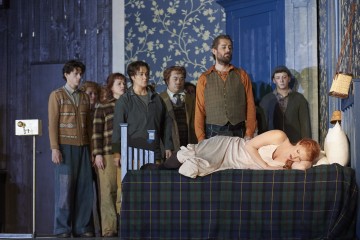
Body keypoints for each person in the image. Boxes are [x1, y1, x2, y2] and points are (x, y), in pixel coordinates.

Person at [142, 130, 321, 179]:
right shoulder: (280, 137)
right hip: (229, 146)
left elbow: (304, 167)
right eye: (297, 151)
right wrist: (265, 166)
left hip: (233, 162)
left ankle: (163, 170)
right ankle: (160, 167)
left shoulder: (291, 165)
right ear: (298, 143)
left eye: (299, 158)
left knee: (200, 166)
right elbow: (250, 146)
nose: (294, 157)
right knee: (195, 154)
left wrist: (307, 160)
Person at [48, 60, 94, 238]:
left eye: (80, 73)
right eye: (75, 73)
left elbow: (89, 125)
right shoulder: (56, 95)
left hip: (83, 148)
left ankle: (83, 227)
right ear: (66, 75)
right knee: (64, 189)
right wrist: (54, 148)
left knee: (85, 188)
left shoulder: (84, 96)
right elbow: (52, 124)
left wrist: (91, 150)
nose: (79, 77)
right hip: (65, 149)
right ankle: (62, 228)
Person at [195, 34, 256, 142]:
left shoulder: (242, 75)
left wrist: (249, 133)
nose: (228, 50)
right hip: (213, 131)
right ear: (214, 51)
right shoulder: (204, 78)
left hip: (239, 130)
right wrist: (201, 138)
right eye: (224, 47)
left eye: (230, 47)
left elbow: (250, 105)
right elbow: (199, 109)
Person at [112, 61, 173, 165]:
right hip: (132, 155)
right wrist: (117, 153)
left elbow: (166, 124)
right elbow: (118, 127)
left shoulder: (157, 99)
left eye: (146, 74)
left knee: (154, 181)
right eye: (141, 74)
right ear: (132, 76)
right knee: (135, 181)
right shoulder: (124, 100)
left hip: (155, 153)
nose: (145, 77)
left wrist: (168, 146)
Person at [92, 73, 127, 237]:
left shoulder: (129, 105)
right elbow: (96, 133)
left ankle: (124, 226)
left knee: (124, 191)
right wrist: (97, 154)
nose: (123, 86)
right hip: (106, 153)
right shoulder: (103, 107)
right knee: (108, 191)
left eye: (124, 83)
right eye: (119, 83)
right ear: (111, 86)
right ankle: (109, 229)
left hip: (126, 154)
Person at [259, 65, 311, 143]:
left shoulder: (299, 99)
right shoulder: (266, 100)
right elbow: (262, 127)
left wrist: (306, 144)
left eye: (284, 77)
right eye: (278, 78)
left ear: (289, 79)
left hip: (294, 143)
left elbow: (305, 125)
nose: (281, 80)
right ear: (274, 80)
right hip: (273, 144)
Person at [80, 80, 101, 236]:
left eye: (95, 94)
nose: (93, 96)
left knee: (102, 194)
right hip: (85, 156)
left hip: (100, 156)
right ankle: (87, 228)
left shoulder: (101, 110)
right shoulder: (82, 112)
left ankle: (103, 227)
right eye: (90, 93)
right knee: (86, 194)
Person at [159, 66, 197, 152]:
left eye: (182, 79)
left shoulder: (191, 99)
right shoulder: (159, 99)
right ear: (167, 80)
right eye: (175, 79)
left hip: (189, 146)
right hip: (170, 148)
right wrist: (165, 147)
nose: (179, 82)